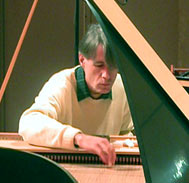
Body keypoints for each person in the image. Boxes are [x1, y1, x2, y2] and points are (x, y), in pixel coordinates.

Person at [18, 24, 134, 166]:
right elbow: (29, 123)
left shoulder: (121, 87)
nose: (107, 75)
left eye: (112, 66)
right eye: (99, 65)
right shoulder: (62, 84)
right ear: (82, 60)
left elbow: (125, 134)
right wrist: (79, 138)